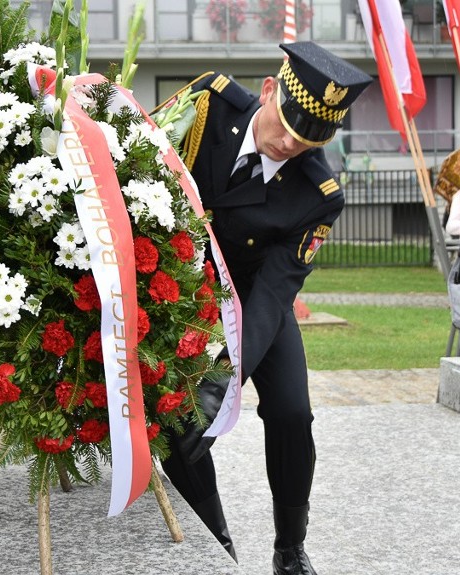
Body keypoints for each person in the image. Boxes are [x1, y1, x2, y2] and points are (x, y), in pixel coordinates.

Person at [158, 42, 372, 574]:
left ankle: (290, 547)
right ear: (270, 91)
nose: (289, 147)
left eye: (306, 144)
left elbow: (277, 290)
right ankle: (216, 543)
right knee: (176, 415)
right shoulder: (209, 102)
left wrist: (227, 373)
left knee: (292, 412)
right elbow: (141, 160)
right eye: (285, 131)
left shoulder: (319, 193)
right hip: (176, 285)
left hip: (253, 299)